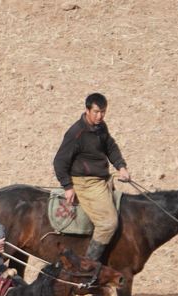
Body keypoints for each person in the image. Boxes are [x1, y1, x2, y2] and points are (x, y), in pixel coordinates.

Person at [52, 92, 130, 262]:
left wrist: (121, 166)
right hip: (86, 184)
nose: (100, 116)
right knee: (108, 223)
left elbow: (111, 147)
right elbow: (59, 161)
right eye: (96, 112)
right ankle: (88, 266)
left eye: (103, 112)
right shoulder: (76, 134)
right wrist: (67, 186)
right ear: (87, 110)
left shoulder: (101, 127)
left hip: (103, 180)